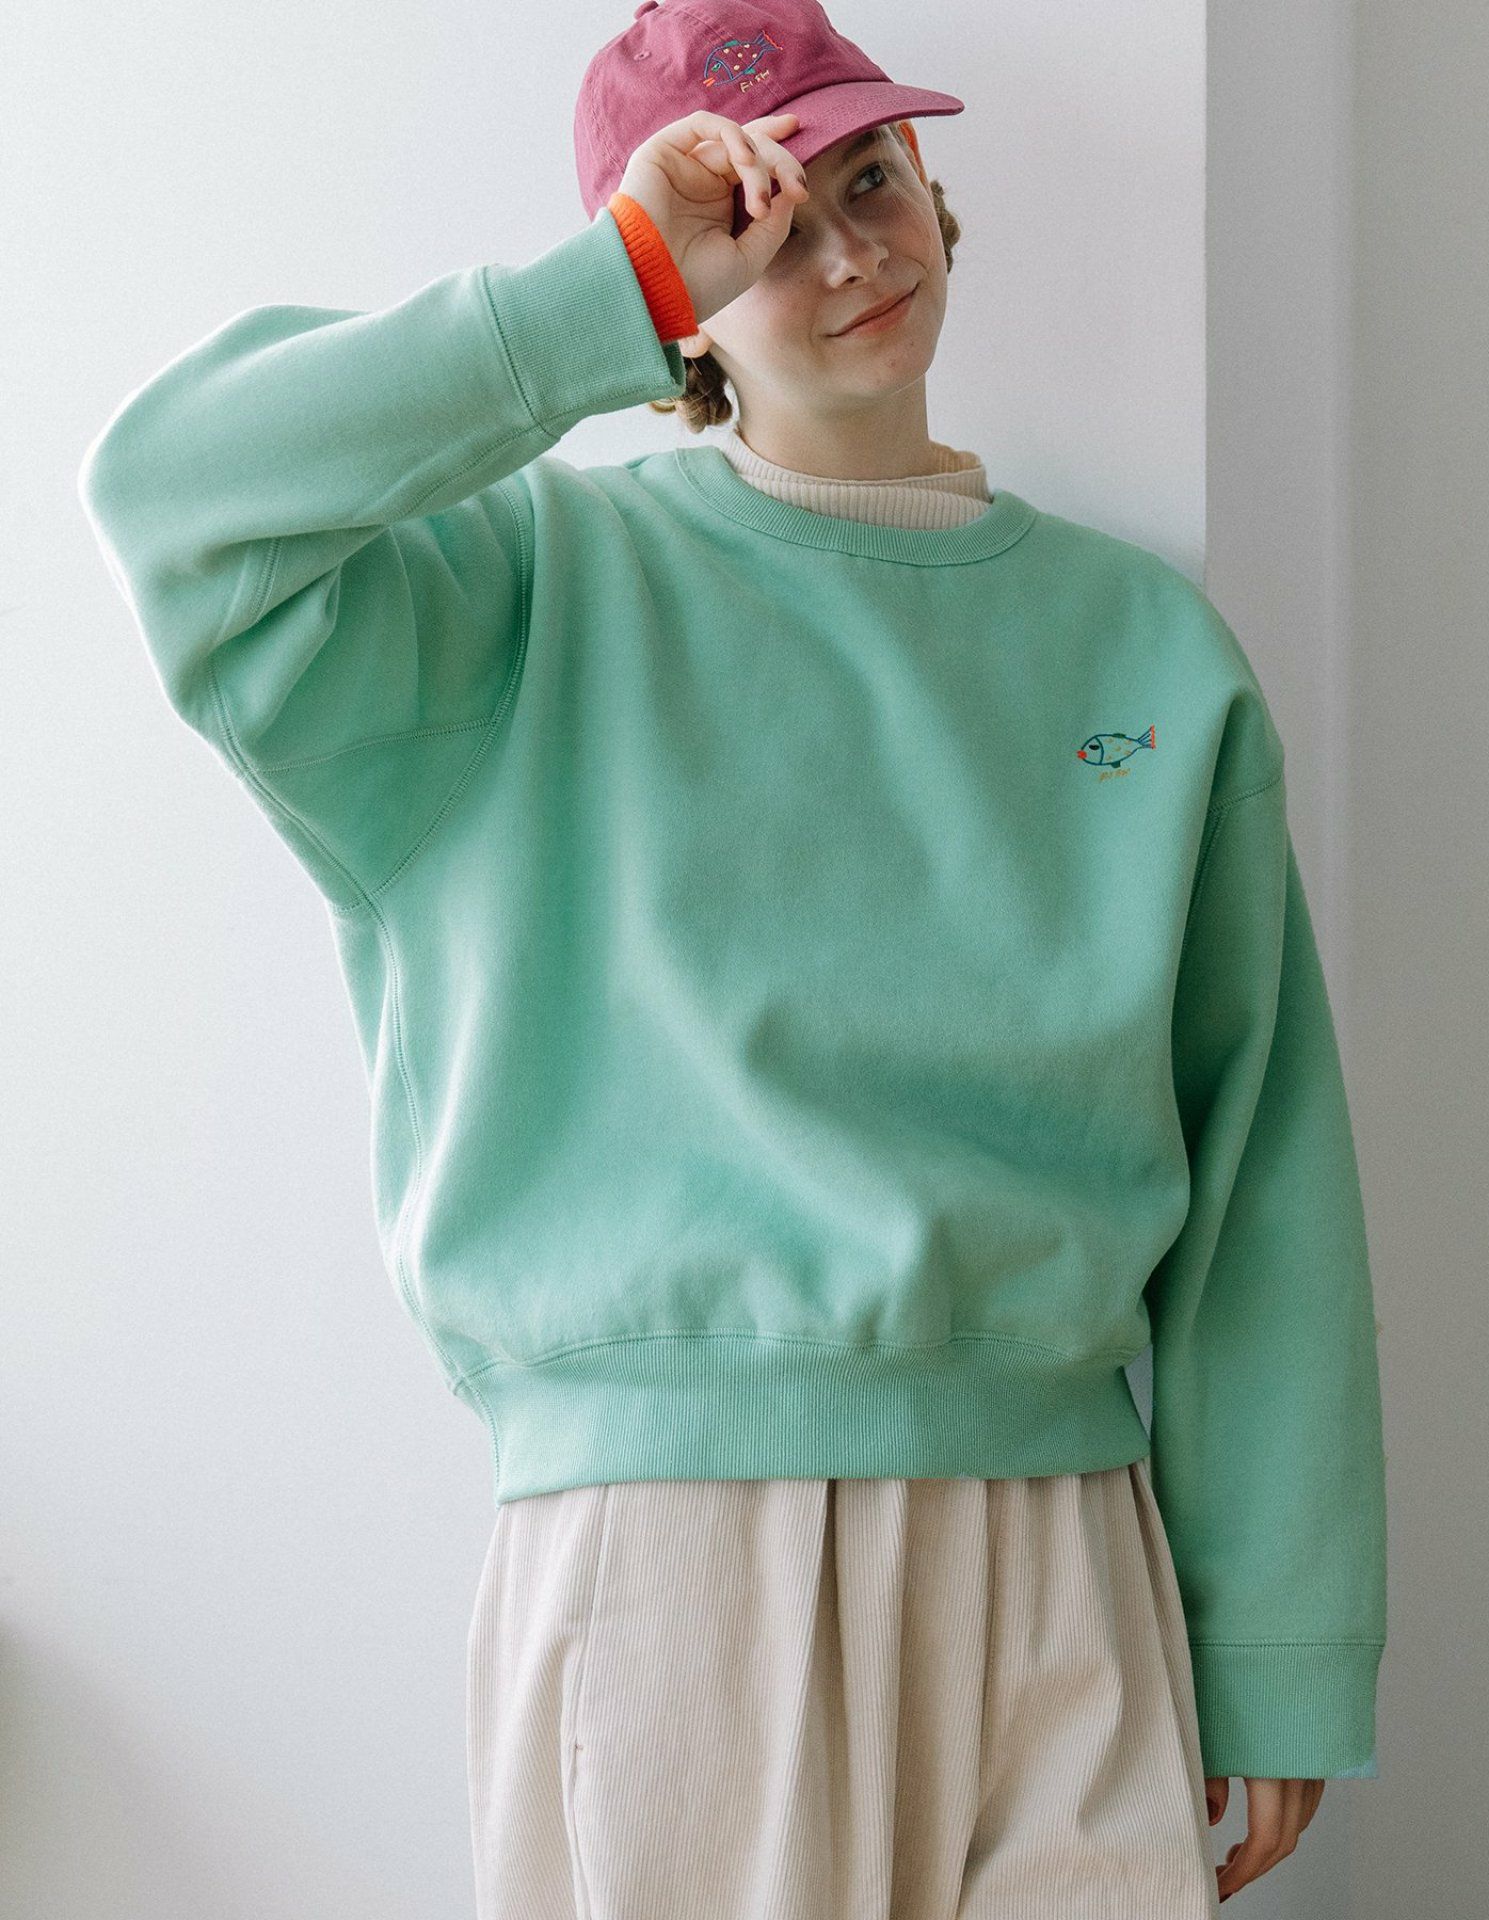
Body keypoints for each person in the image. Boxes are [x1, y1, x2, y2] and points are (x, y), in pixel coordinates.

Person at [77, 0, 1387, 1913]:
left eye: (874, 181)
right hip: (681, 1542)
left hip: (1069, 1533)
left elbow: (1259, 1160)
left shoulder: (1146, 650)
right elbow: (173, 497)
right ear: (681, 297)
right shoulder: (521, 600)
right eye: (766, 225)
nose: (849, 251)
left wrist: (1274, 1627)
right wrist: (602, 291)